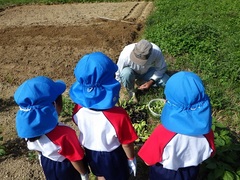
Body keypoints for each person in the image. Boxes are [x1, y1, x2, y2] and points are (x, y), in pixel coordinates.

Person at [69, 52, 138, 180]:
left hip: (90, 151)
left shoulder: (78, 108)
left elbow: (77, 121)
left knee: (100, 174)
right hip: (112, 155)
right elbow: (127, 143)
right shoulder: (118, 115)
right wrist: (131, 158)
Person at [138, 71, 216, 180]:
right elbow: (211, 152)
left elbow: (147, 161)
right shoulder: (207, 133)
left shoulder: (163, 133)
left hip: (164, 174)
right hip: (190, 172)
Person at [14, 76, 89, 180]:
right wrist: (84, 174)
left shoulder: (29, 131)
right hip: (66, 169)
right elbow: (75, 159)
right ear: (54, 105)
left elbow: (38, 150)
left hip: (47, 163)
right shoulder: (65, 134)